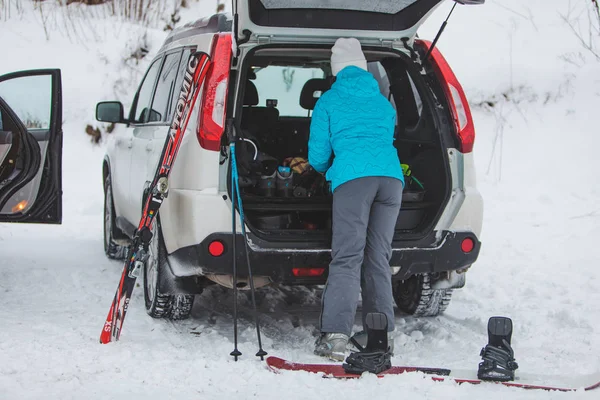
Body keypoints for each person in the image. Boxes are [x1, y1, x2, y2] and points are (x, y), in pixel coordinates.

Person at [308, 37, 405, 361]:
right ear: (364, 68)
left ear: (336, 70)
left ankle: (336, 337)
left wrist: (328, 169)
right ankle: (381, 334)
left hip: (354, 180)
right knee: (378, 256)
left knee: (348, 256)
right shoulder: (381, 102)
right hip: (391, 182)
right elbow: (387, 137)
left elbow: (318, 156)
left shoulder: (330, 101)